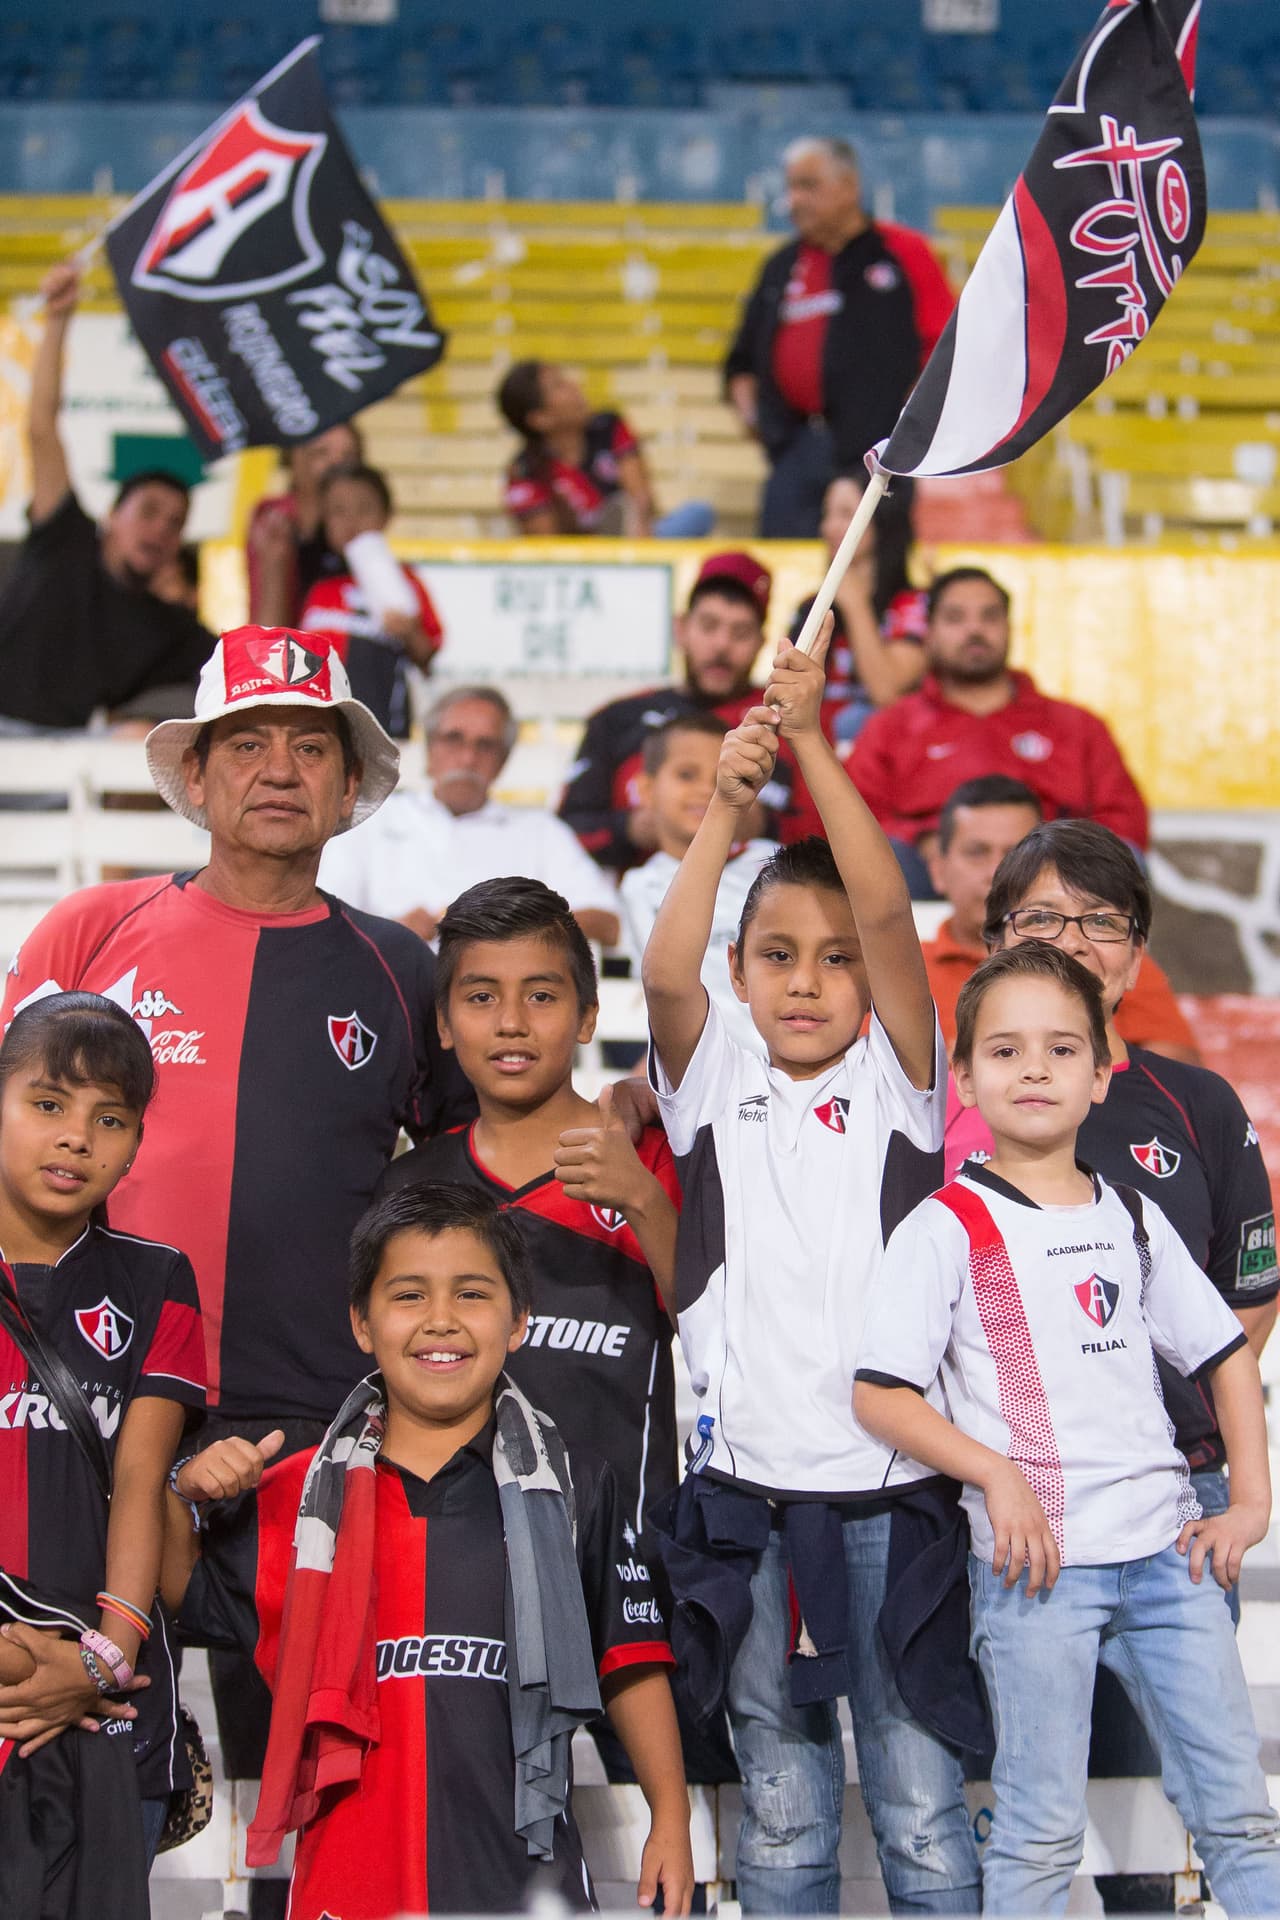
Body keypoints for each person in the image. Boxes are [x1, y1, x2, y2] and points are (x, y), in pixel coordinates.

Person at [0, 626, 473, 1848]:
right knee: (75, 1780)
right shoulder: (86, 936)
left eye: (308, 746)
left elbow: (478, 1164)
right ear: (195, 777)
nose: (277, 768)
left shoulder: (397, 970)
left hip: (306, 1442)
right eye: (245, 743)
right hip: (86, 1430)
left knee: (297, 1811)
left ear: (349, 783)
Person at [641, 620, 982, 1914]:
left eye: (836, 962)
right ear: (741, 976)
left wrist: (818, 744)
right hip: (744, 1508)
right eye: (778, 957)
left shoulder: (903, 1082)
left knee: (918, 1809)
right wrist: (724, 809)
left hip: (893, 1505)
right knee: (780, 1824)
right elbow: (666, 965)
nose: (811, 982)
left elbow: (887, 905)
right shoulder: (713, 1076)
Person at [854, 942, 1280, 1917]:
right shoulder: (944, 1227)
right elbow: (880, 1395)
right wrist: (994, 1477)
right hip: (1036, 1575)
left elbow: (1222, 1352)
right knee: (1038, 1831)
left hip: (1168, 1565)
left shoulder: (1132, 1214)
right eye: (1004, 1051)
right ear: (962, 1078)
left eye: (1059, 1049)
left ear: (1100, 1074)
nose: (1033, 1069)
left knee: (1237, 1819)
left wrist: (1249, 1504)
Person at [162, 1184, 695, 1920]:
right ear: (361, 1322)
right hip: (344, 1894)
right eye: (408, 1295)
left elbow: (630, 1662)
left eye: (472, 1294)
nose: (440, 1321)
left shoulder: (573, 1488)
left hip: (522, 1889)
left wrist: (669, 1817)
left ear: (518, 1323)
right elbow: (174, 1587)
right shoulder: (293, 1500)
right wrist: (177, 1493)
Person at [0, 992, 206, 1903]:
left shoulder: (159, 1282)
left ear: (134, 1142)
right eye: (48, 1105)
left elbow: (139, 1478)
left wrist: (100, 1661)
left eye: (109, 1118)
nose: (77, 1138)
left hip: (105, 1709)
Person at [0, 263, 213, 731]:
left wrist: (189, 605)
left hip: (69, 760)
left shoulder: (172, 627)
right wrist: (58, 320)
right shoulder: (65, 536)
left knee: (137, 739)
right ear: (111, 517)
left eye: (176, 523)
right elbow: (40, 428)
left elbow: (241, 668)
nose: (160, 529)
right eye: (150, 512)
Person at [849, 567, 1149, 894]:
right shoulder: (891, 726)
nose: (975, 629)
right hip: (928, 873)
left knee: (1124, 859)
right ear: (929, 634)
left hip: (1055, 877)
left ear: (1009, 629)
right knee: (874, 858)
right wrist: (926, 840)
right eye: (955, 617)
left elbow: (1125, 819)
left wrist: (1053, 848)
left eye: (990, 617)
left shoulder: (1077, 725)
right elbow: (852, 819)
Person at [724, 137, 953, 536]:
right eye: (791, 187)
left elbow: (948, 348)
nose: (794, 200)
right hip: (795, 453)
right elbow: (741, 361)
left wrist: (908, 424)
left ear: (849, 187)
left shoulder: (904, 253)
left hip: (880, 458)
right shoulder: (781, 266)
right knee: (788, 567)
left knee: (876, 568)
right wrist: (753, 415)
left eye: (808, 186)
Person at [559, 550, 820, 873]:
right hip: (632, 897)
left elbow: (822, 837)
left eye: (740, 633)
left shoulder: (789, 722)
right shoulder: (617, 718)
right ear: (681, 629)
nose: (722, 645)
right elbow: (567, 830)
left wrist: (760, 824)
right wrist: (633, 828)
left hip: (754, 899)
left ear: (760, 643)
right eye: (709, 626)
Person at [320, 684, 621, 947]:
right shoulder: (372, 821)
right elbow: (324, 919)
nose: (467, 758)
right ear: (430, 748)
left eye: (485, 745)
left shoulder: (540, 832)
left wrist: (506, 928)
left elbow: (607, 922)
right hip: (389, 987)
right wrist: (389, 932)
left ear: (503, 761)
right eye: (454, 739)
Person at [925, 777, 1199, 1064]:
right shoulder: (907, 972)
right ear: (938, 870)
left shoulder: (1109, 954)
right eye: (977, 852)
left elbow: (1176, 1070)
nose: (996, 870)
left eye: (1016, 852)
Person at [620, 712, 777, 1053]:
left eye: (720, 775)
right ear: (645, 789)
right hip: (700, 1067)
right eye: (686, 775)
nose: (707, 789)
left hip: (793, 1056)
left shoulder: (774, 862)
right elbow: (667, 989)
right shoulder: (640, 885)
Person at [297, 462, 445, 737]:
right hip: (320, 715)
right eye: (338, 511)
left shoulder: (404, 579)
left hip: (381, 721)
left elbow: (427, 654)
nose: (352, 521)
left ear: (387, 516)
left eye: (365, 509)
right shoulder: (316, 584)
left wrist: (409, 632)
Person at [497, 359, 713, 539]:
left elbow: (642, 499)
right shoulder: (524, 473)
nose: (575, 386)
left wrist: (634, 533)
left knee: (698, 515)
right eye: (559, 385)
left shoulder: (609, 427)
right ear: (540, 419)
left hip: (639, 541)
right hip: (584, 564)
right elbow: (548, 549)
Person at [789, 473, 925, 742]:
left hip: (881, 747)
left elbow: (885, 692)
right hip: (815, 743)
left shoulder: (913, 604)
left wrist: (855, 605)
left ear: (880, 518)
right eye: (827, 514)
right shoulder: (809, 607)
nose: (829, 527)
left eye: (845, 514)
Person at [247, 420, 363, 628]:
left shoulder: (361, 524)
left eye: (348, 456)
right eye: (321, 453)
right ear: (295, 460)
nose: (336, 464)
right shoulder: (275, 519)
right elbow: (268, 627)